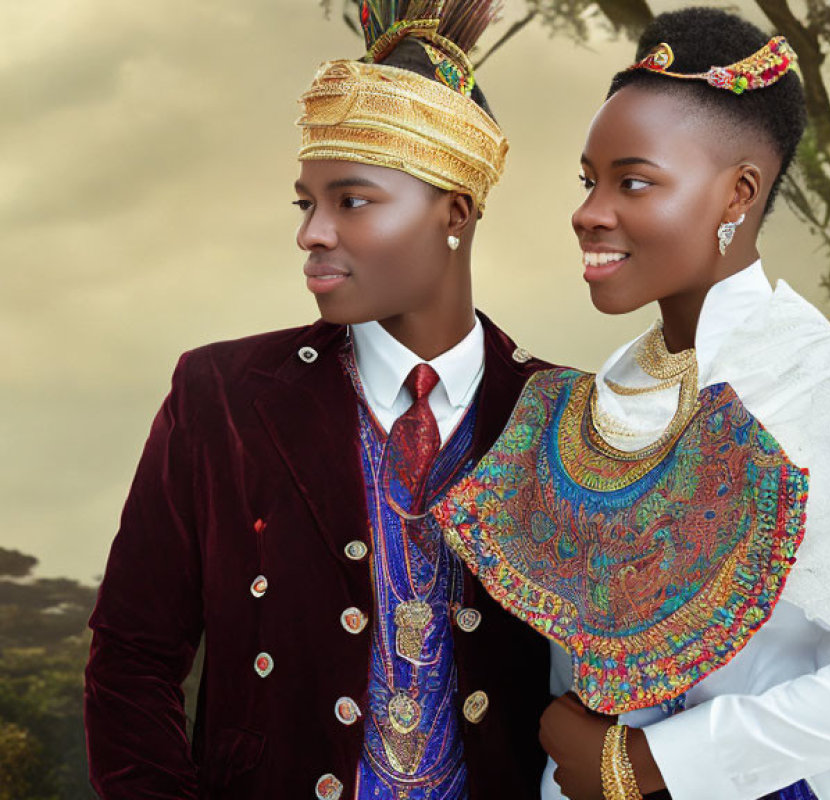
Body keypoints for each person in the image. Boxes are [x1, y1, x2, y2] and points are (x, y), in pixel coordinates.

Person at [433, 7, 830, 800]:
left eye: (633, 182)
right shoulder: (588, 404)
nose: (588, 212)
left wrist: (656, 763)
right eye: (589, 180)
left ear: (737, 195)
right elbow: (576, 699)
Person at [83, 2, 552, 798]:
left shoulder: (564, 413)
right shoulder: (221, 398)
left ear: (456, 212)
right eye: (307, 202)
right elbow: (132, 661)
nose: (311, 233)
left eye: (352, 200)